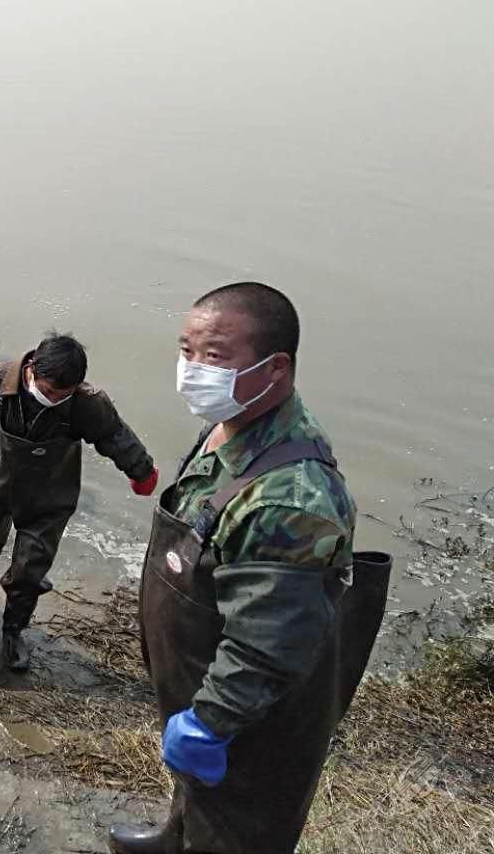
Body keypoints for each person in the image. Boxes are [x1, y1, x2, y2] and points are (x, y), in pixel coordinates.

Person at [109, 283, 385, 854]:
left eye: (213, 356)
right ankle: (175, 835)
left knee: (235, 822)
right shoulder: (232, 427)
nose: (192, 370)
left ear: (275, 367)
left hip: (251, 718)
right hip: (200, 671)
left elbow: (268, 642)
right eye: (186, 351)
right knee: (197, 795)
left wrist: (210, 721)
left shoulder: (291, 499)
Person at [0, 333, 157, 672]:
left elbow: (114, 435)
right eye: (50, 391)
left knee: (29, 570)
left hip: (49, 497)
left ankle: (13, 630)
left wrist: (141, 471)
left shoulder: (86, 403)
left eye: (64, 394)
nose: (55, 399)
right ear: (32, 369)